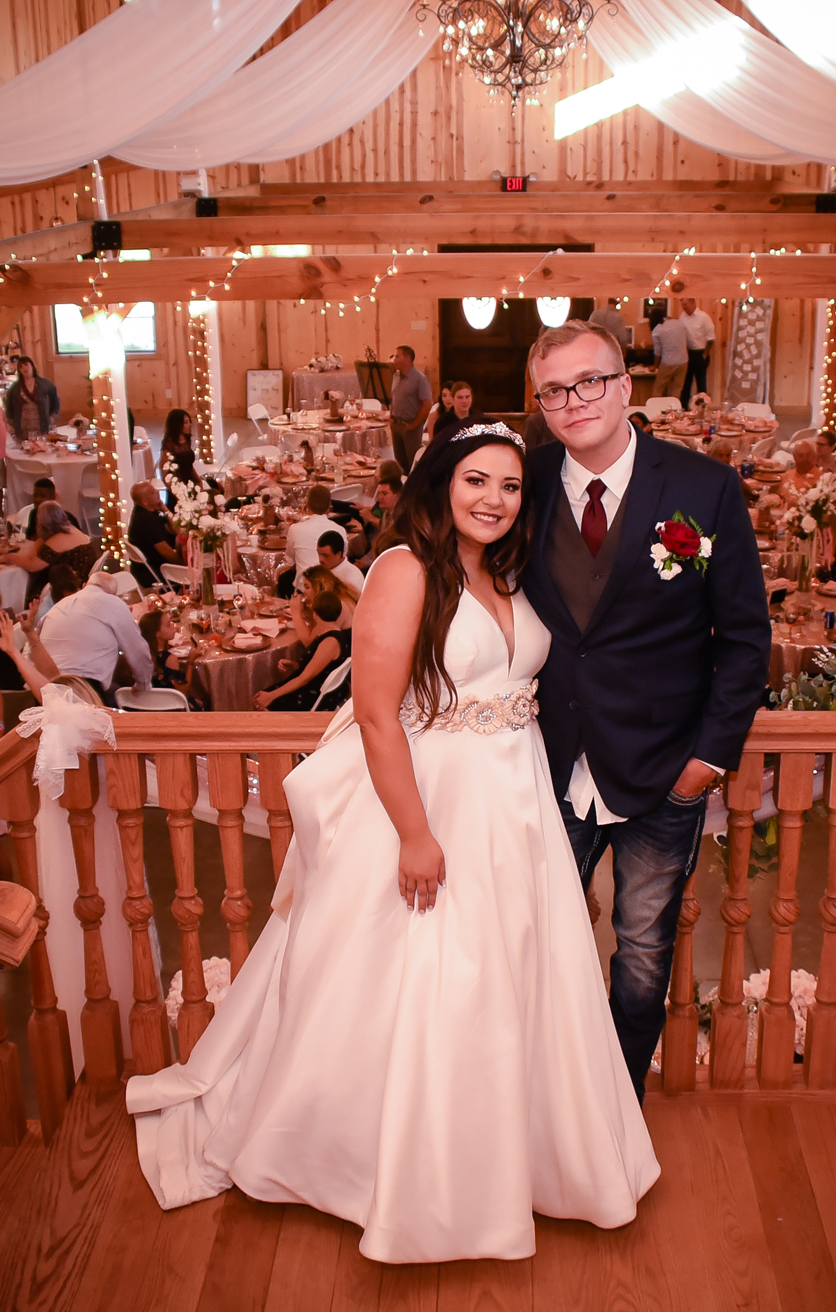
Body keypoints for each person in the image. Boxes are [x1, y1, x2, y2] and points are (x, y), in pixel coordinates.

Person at [126, 422, 660, 1262]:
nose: (493, 498)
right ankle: (406, 1170)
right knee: (430, 974)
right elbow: (376, 710)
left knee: (519, 968)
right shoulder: (405, 568)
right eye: (476, 480)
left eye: (511, 486)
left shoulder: (508, 573)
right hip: (436, 793)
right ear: (442, 482)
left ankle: (512, 1157)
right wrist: (415, 833)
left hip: (514, 795)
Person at [521, 318, 771, 1100]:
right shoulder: (517, 485)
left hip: (667, 771)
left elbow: (745, 635)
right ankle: (541, 1106)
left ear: (627, 386)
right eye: (555, 390)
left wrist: (707, 761)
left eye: (590, 379)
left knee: (641, 957)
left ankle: (618, 1109)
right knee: (535, 946)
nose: (575, 399)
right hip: (546, 763)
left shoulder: (703, 488)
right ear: (542, 405)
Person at [38, 571, 153, 703]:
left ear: (86, 585)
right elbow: (137, 650)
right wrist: (143, 685)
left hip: (45, 688)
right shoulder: (112, 602)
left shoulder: (59, 606)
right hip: (84, 689)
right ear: (112, 593)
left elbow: (34, 644)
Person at [254, 590, 347, 712]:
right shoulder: (329, 633)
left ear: (315, 614)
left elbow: (305, 678)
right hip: (313, 687)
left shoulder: (330, 641)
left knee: (260, 700)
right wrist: (295, 665)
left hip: (312, 694)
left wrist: (271, 696)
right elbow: (321, 667)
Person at [0, 501, 98, 602]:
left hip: (70, 587)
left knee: (36, 588)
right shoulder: (69, 529)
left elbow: (32, 566)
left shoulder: (59, 538)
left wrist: (9, 557)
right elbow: (33, 551)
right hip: (81, 581)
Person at [277, 484, 335, 597]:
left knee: (284, 578)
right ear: (329, 505)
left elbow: (290, 560)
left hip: (303, 588)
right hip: (331, 586)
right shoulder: (340, 530)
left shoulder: (295, 529)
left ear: (307, 506)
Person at [138, 610, 200, 703]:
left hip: (149, 704)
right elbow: (182, 691)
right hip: (170, 707)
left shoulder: (143, 654)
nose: (173, 626)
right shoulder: (170, 659)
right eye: (168, 625)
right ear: (156, 633)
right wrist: (190, 661)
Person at [389, 345, 432, 473]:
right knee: (400, 464)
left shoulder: (420, 379)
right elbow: (395, 397)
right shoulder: (396, 376)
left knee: (413, 463)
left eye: (397, 356)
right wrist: (391, 416)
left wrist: (414, 425)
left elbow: (427, 404)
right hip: (396, 425)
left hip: (410, 427)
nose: (394, 359)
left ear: (407, 358)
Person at [128, 482, 180, 585]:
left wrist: (165, 510)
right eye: (152, 492)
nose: (157, 491)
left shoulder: (150, 512)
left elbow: (177, 530)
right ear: (145, 501)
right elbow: (166, 552)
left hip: (158, 566)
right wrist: (185, 564)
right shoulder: (145, 520)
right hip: (155, 571)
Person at [3, 356, 59, 441]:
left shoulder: (46, 384)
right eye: (21, 366)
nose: (24, 368)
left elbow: (55, 401)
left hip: (43, 426)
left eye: (26, 364)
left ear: (32, 366)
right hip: (23, 429)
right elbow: (9, 407)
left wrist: (52, 417)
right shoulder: (15, 388)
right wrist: (13, 424)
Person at [15, 478, 80, 540]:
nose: (37, 499)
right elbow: (30, 537)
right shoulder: (34, 513)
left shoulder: (64, 518)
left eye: (43, 496)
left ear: (53, 497)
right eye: (35, 495)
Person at [678, 299, 715, 409]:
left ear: (693, 303)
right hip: (687, 353)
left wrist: (705, 354)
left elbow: (711, 338)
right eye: (682, 305)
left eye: (686, 304)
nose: (684, 307)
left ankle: (702, 408)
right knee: (686, 383)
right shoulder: (682, 317)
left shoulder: (704, 317)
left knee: (701, 383)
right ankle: (684, 409)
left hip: (701, 352)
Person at [649, 307, 688, 399]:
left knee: (658, 389)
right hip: (683, 361)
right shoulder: (679, 323)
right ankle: (673, 412)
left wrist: (655, 366)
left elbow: (658, 352)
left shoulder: (657, 330)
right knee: (676, 390)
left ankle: (655, 410)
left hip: (668, 362)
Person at [317, 526, 365, 596]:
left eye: (325, 555)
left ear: (339, 554)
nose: (320, 559)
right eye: (319, 554)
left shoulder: (353, 577)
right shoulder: (318, 569)